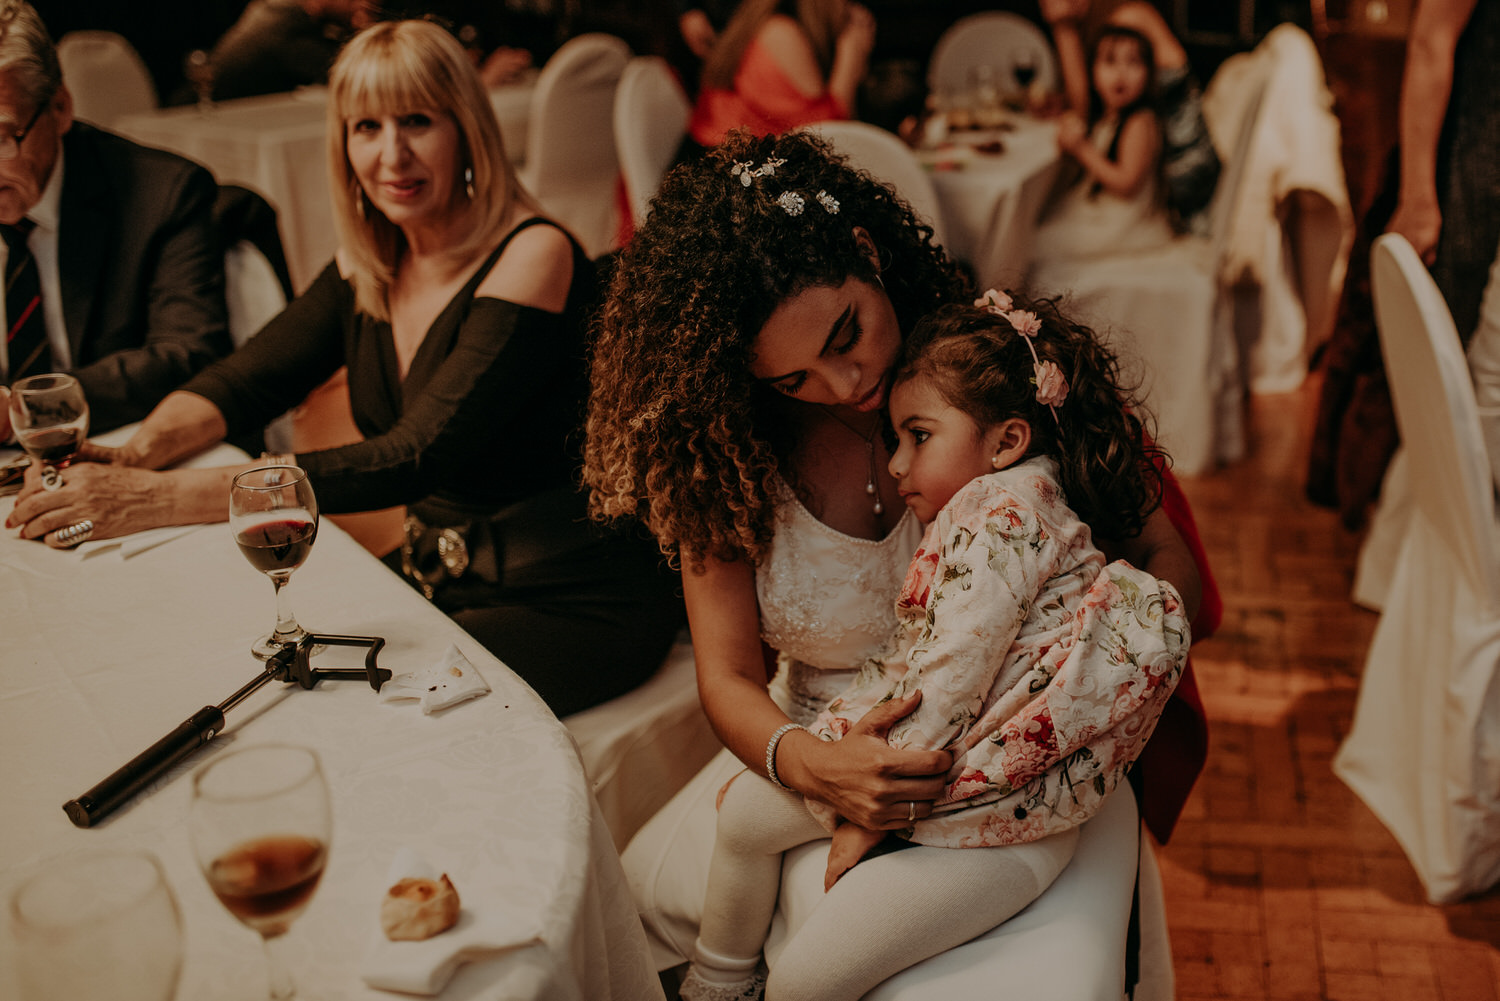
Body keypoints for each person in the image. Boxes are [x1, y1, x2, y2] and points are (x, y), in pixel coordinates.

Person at [583, 128, 1217, 995]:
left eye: (848, 334)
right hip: (820, 738)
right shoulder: (726, 451)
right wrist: (813, 765)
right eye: (794, 380)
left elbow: (1161, 552)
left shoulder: (986, 372)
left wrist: (1101, 658)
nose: (845, 384)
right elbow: (726, 676)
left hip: (1008, 756)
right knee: (692, 895)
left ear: (867, 250)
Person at [7, 19, 684, 718]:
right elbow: (244, 380)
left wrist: (156, 498)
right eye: (367, 127)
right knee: (248, 666)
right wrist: (134, 456)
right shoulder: (374, 261)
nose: (392, 155)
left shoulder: (535, 253)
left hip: (572, 597)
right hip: (443, 573)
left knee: (347, 716)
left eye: (418, 121)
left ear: (468, 129)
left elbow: (413, 455)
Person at [675, 291, 1190, 1000]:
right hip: (938, 769)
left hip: (992, 814)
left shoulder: (1002, 511)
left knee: (807, 980)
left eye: (917, 437)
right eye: (895, 440)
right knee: (742, 816)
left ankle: (719, 979)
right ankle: (720, 980)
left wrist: (869, 817)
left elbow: (951, 674)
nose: (896, 464)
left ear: (1006, 441)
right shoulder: (1006, 499)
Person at [0, 0, 230, 434]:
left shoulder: (162, 195)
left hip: (114, 440)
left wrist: (23, 409)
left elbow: (186, 355)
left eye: (1, 139)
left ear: (60, 108)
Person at [1042, 0, 1220, 234]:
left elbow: (1083, 111)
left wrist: (1064, 30)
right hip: (1156, 180)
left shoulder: (1129, 18)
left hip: (1181, 186)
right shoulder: (1092, 27)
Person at [1027, 22, 1179, 278]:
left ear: (1149, 74)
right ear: (1093, 72)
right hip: (1103, 209)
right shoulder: (1109, 116)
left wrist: (1081, 149)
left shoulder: (1140, 121)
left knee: (1040, 244)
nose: (1121, 73)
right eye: (1110, 62)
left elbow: (1127, 184)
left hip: (1126, 220)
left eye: (1133, 63)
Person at [685, 0, 875, 150]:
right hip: (719, 161)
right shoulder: (780, 32)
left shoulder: (769, 18)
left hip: (732, 153)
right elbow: (825, 137)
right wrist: (851, 55)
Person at [194, 0, 373, 103]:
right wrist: (364, 30)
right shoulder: (287, 23)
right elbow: (351, 77)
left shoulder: (276, 10)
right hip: (197, 117)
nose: (363, 4)